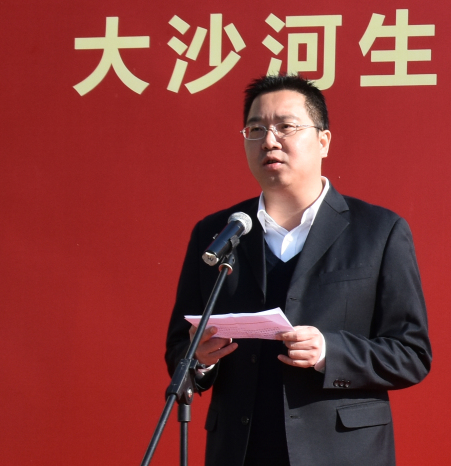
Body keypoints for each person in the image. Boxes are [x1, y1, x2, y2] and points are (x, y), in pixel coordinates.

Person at [165, 74, 431, 466]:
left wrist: (329, 351)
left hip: (341, 454)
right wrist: (200, 359)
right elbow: (179, 348)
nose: (269, 141)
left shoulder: (379, 231)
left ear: (323, 141)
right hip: (239, 452)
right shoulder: (218, 233)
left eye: (286, 127)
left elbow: (411, 354)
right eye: (256, 129)